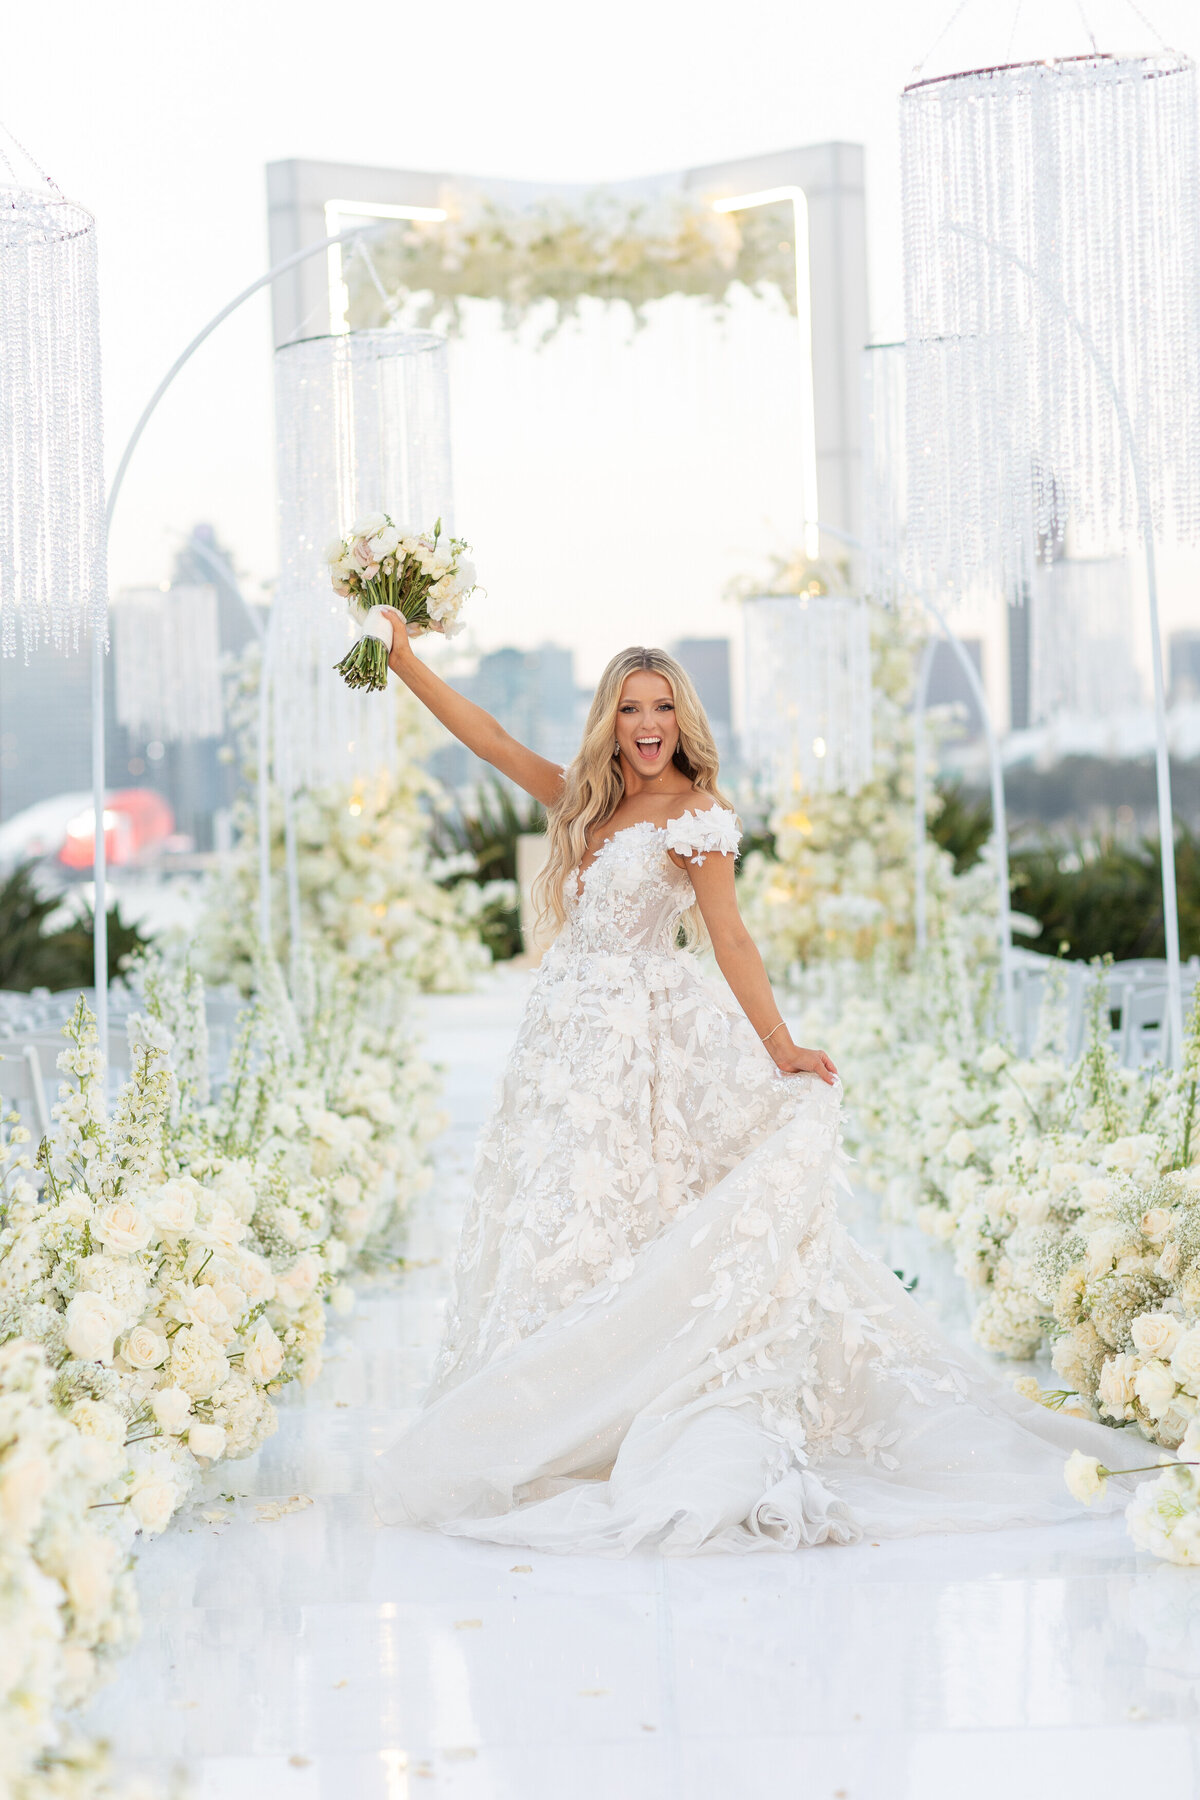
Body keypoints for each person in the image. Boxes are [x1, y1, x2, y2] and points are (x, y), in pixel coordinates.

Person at [371, 627, 1138, 1555]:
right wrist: (403, 659)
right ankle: (569, 1407)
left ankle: (632, 1397)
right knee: (571, 1216)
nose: (647, 724)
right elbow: (489, 740)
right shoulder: (584, 801)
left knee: (643, 1208)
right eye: (630, 707)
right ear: (609, 721)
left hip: (641, 1045)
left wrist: (782, 1048)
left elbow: (730, 938)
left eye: (662, 707)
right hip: (565, 1050)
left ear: (682, 720)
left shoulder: (695, 814)